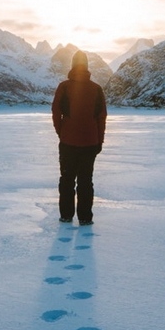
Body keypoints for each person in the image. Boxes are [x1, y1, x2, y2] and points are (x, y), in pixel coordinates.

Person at [51, 53, 107, 225]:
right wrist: (99, 140)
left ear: (73, 65)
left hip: (68, 142)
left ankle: (66, 215)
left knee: (67, 179)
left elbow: (55, 112)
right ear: (87, 66)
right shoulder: (96, 88)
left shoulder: (64, 86)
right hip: (90, 143)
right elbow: (101, 117)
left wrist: (62, 132)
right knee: (85, 181)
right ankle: (84, 217)